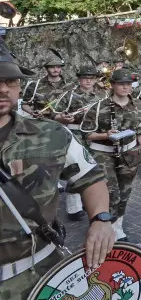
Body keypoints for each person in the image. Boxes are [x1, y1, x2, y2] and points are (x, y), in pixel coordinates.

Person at [0, 43, 115, 300]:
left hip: (38, 277)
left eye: (10, 81)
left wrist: (101, 219)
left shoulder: (53, 135)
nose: (3, 88)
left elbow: (91, 178)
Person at [81, 69, 141, 242]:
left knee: (125, 191)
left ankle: (117, 226)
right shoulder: (99, 107)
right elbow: (87, 133)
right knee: (110, 191)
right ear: (113, 85)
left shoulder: (140, 105)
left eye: (128, 84)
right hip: (104, 152)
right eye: (121, 84)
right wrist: (105, 135)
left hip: (129, 151)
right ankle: (103, 225)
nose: (126, 87)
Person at [52, 65, 105, 221]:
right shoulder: (69, 95)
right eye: (84, 78)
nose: (88, 81)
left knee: (94, 168)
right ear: (79, 79)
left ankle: (93, 202)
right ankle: (74, 207)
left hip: (95, 135)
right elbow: (53, 112)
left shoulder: (103, 95)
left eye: (91, 78)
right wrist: (61, 118)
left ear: (95, 79)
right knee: (75, 169)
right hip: (76, 133)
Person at [21, 51, 70, 116]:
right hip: (41, 122)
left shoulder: (70, 86)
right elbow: (24, 104)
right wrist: (32, 112)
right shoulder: (35, 85)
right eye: (52, 67)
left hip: (64, 123)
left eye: (58, 67)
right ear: (46, 68)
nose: (55, 70)